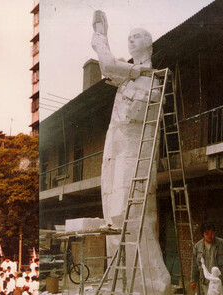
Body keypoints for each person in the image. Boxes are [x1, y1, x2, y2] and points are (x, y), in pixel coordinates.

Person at [91, 10, 169, 293]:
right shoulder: (127, 76)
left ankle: (151, 282)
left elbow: (109, 65)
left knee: (129, 211)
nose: (132, 41)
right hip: (116, 146)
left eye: (137, 37)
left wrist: (100, 37)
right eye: (129, 38)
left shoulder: (151, 78)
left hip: (134, 151)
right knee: (113, 213)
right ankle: (126, 282)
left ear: (149, 43)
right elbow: (108, 68)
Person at [192, 223, 223, 294]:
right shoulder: (198, 246)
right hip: (204, 282)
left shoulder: (221, 244)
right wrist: (193, 280)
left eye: (212, 233)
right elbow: (194, 264)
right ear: (203, 234)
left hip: (219, 281)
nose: (210, 236)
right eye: (207, 233)